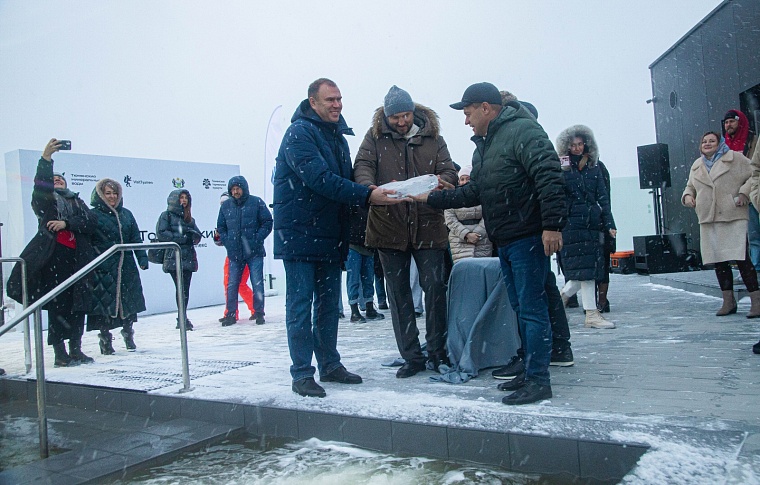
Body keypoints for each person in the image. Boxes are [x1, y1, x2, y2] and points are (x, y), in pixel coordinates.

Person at [413, 82, 567, 405]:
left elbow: (549, 175)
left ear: (486, 108)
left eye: (468, 113)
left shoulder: (524, 131)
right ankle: (529, 368)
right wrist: (433, 198)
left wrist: (552, 225)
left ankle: (540, 379)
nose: (466, 121)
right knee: (521, 308)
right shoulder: (486, 145)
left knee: (532, 308)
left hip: (527, 236)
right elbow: (474, 192)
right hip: (506, 239)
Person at [273, 78, 404, 398]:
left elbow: (347, 181)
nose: (337, 105)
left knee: (330, 305)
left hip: (330, 235)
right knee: (300, 306)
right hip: (300, 236)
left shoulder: (338, 138)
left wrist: (379, 187)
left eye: (340, 99)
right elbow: (320, 179)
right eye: (330, 99)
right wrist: (367, 195)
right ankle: (302, 372)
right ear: (312, 102)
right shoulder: (298, 134)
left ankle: (330, 364)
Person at [354, 85, 458, 378]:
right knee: (399, 295)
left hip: (428, 223)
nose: (402, 122)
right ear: (386, 117)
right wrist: (369, 189)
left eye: (407, 115)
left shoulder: (433, 138)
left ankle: (438, 352)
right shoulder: (374, 138)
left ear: (415, 112)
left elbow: (449, 171)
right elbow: (362, 167)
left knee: (435, 290)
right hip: (388, 226)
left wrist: (440, 181)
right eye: (396, 117)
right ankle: (412, 357)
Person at [7, 139, 97, 367]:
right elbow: (41, 187)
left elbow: (90, 222)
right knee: (58, 306)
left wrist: (66, 223)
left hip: (79, 259)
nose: (57, 180)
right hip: (55, 258)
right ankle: (60, 353)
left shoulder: (77, 201)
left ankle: (76, 349)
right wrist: (46, 159)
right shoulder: (46, 203)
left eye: (61, 179)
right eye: (54, 179)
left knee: (79, 304)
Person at [683, 131, 760, 317]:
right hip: (709, 218)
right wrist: (687, 196)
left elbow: (754, 175)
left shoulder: (735, 158)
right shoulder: (697, 164)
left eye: (712, 141)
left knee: (741, 259)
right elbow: (690, 186)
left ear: (720, 143)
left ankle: (756, 302)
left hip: (732, 215)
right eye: (704, 141)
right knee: (719, 261)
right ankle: (728, 301)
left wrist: (743, 193)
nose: (707, 144)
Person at [554, 125, 616, 329]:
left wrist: (609, 223)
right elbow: (558, 197)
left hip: (591, 223)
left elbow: (603, 196)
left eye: (580, 144)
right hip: (571, 223)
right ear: (567, 146)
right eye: (573, 145)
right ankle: (590, 313)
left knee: (588, 270)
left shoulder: (594, 166)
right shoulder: (560, 168)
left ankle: (562, 301)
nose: (577, 148)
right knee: (585, 271)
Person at [87, 178, 148, 354]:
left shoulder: (127, 214)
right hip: (103, 267)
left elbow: (135, 238)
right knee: (104, 305)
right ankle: (105, 340)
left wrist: (142, 258)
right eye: (108, 193)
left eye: (115, 193)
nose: (112, 196)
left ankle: (129, 335)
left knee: (129, 305)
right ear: (100, 195)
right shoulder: (93, 215)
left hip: (126, 266)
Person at [217, 176, 273, 327]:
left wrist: (257, 238)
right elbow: (221, 227)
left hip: (254, 252)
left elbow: (268, 222)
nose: (235, 192)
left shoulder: (256, 202)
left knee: (257, 283)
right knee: (232, 284)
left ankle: (259, 312)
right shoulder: (225, 206)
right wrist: (228, 242)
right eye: (233, 189)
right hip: (235, 253)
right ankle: (230, 314)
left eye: (238, 188)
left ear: (244, 188)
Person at [157, 189, 201, 330]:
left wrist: (194, 236)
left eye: (186, 198)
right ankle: (181, 318)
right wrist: (182, 238)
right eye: (181, 198)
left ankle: (182, 317)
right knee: (180, 288)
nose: (184, 200)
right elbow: (162, 234)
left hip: (188, 257)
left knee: (185, 290)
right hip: (173, 257)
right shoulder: (166, 216)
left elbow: (198, 234)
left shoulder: (189, 218)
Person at [724, 109, 760, 274]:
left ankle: (756, 269)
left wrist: (747, 190)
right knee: (740, 238)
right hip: (733, 198)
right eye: (726, 122)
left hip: (751, 194)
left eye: (731, 121)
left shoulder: (752, 140)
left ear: (740, 121)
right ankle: (749, 271)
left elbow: (754, 168)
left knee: (754, 235)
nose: (728, 125)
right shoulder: (723, 146)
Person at [213, 192, 256, 321]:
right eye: (221, 204)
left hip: (246, 253)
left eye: (224, 203)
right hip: (232, 255)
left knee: (239, 284)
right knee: (229, 283)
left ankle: (255, 309)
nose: (223, 206)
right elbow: (219, 241)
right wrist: (219, 237)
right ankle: (232, 312)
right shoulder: (223, 218)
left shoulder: (243, 213)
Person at [444, 166, 492, 263]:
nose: (465, 182)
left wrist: (477, 234)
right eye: (462, 179)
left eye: (468, 179)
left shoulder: (483, 196)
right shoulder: (453, 197)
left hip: (482, 240)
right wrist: (466, 234)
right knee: (463, 273)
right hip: (459, 241)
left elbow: (487, 215)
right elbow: (450, 220)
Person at [346, 204, 385, 323]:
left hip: (367, 245)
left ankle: (368, 306)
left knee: (367, 278)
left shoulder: (368, 205)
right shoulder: (352, 203)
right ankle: (354, 309)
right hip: (354, 244)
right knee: (354, 279)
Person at [595, 159, 614, 313]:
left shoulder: (598, 168)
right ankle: (601, 300)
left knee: (601, 263)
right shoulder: (599, 167)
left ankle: (601, 300)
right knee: (600, 263)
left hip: (598, 223)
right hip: (598, 222)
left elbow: (604, 198)